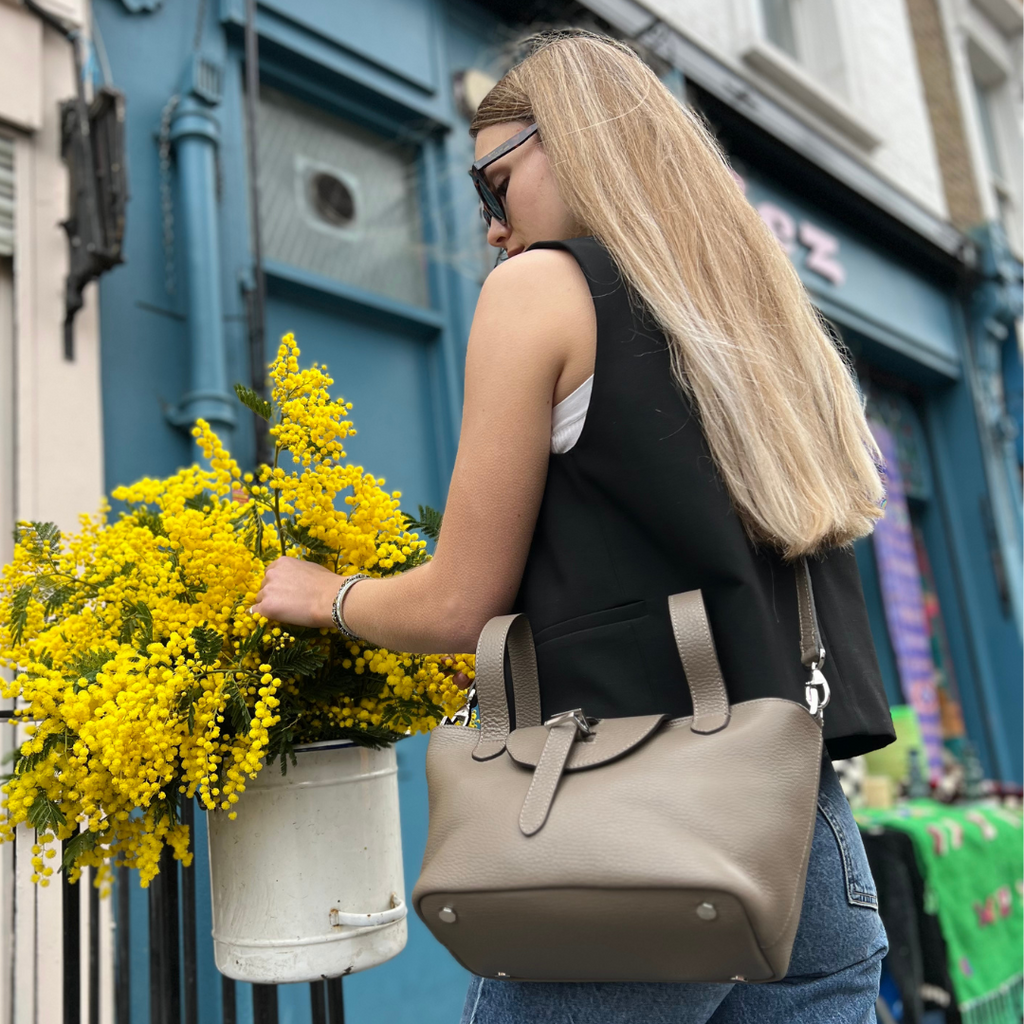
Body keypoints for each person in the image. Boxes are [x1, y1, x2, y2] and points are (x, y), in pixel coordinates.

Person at [251, 29, 893, 1024]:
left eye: (492, 187)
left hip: (636, 825)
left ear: (574, 144)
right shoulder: (769, 330)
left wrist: (321, 594)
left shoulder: (543, 290)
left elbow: (462, 599)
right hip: (808, 834)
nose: (492, 230)